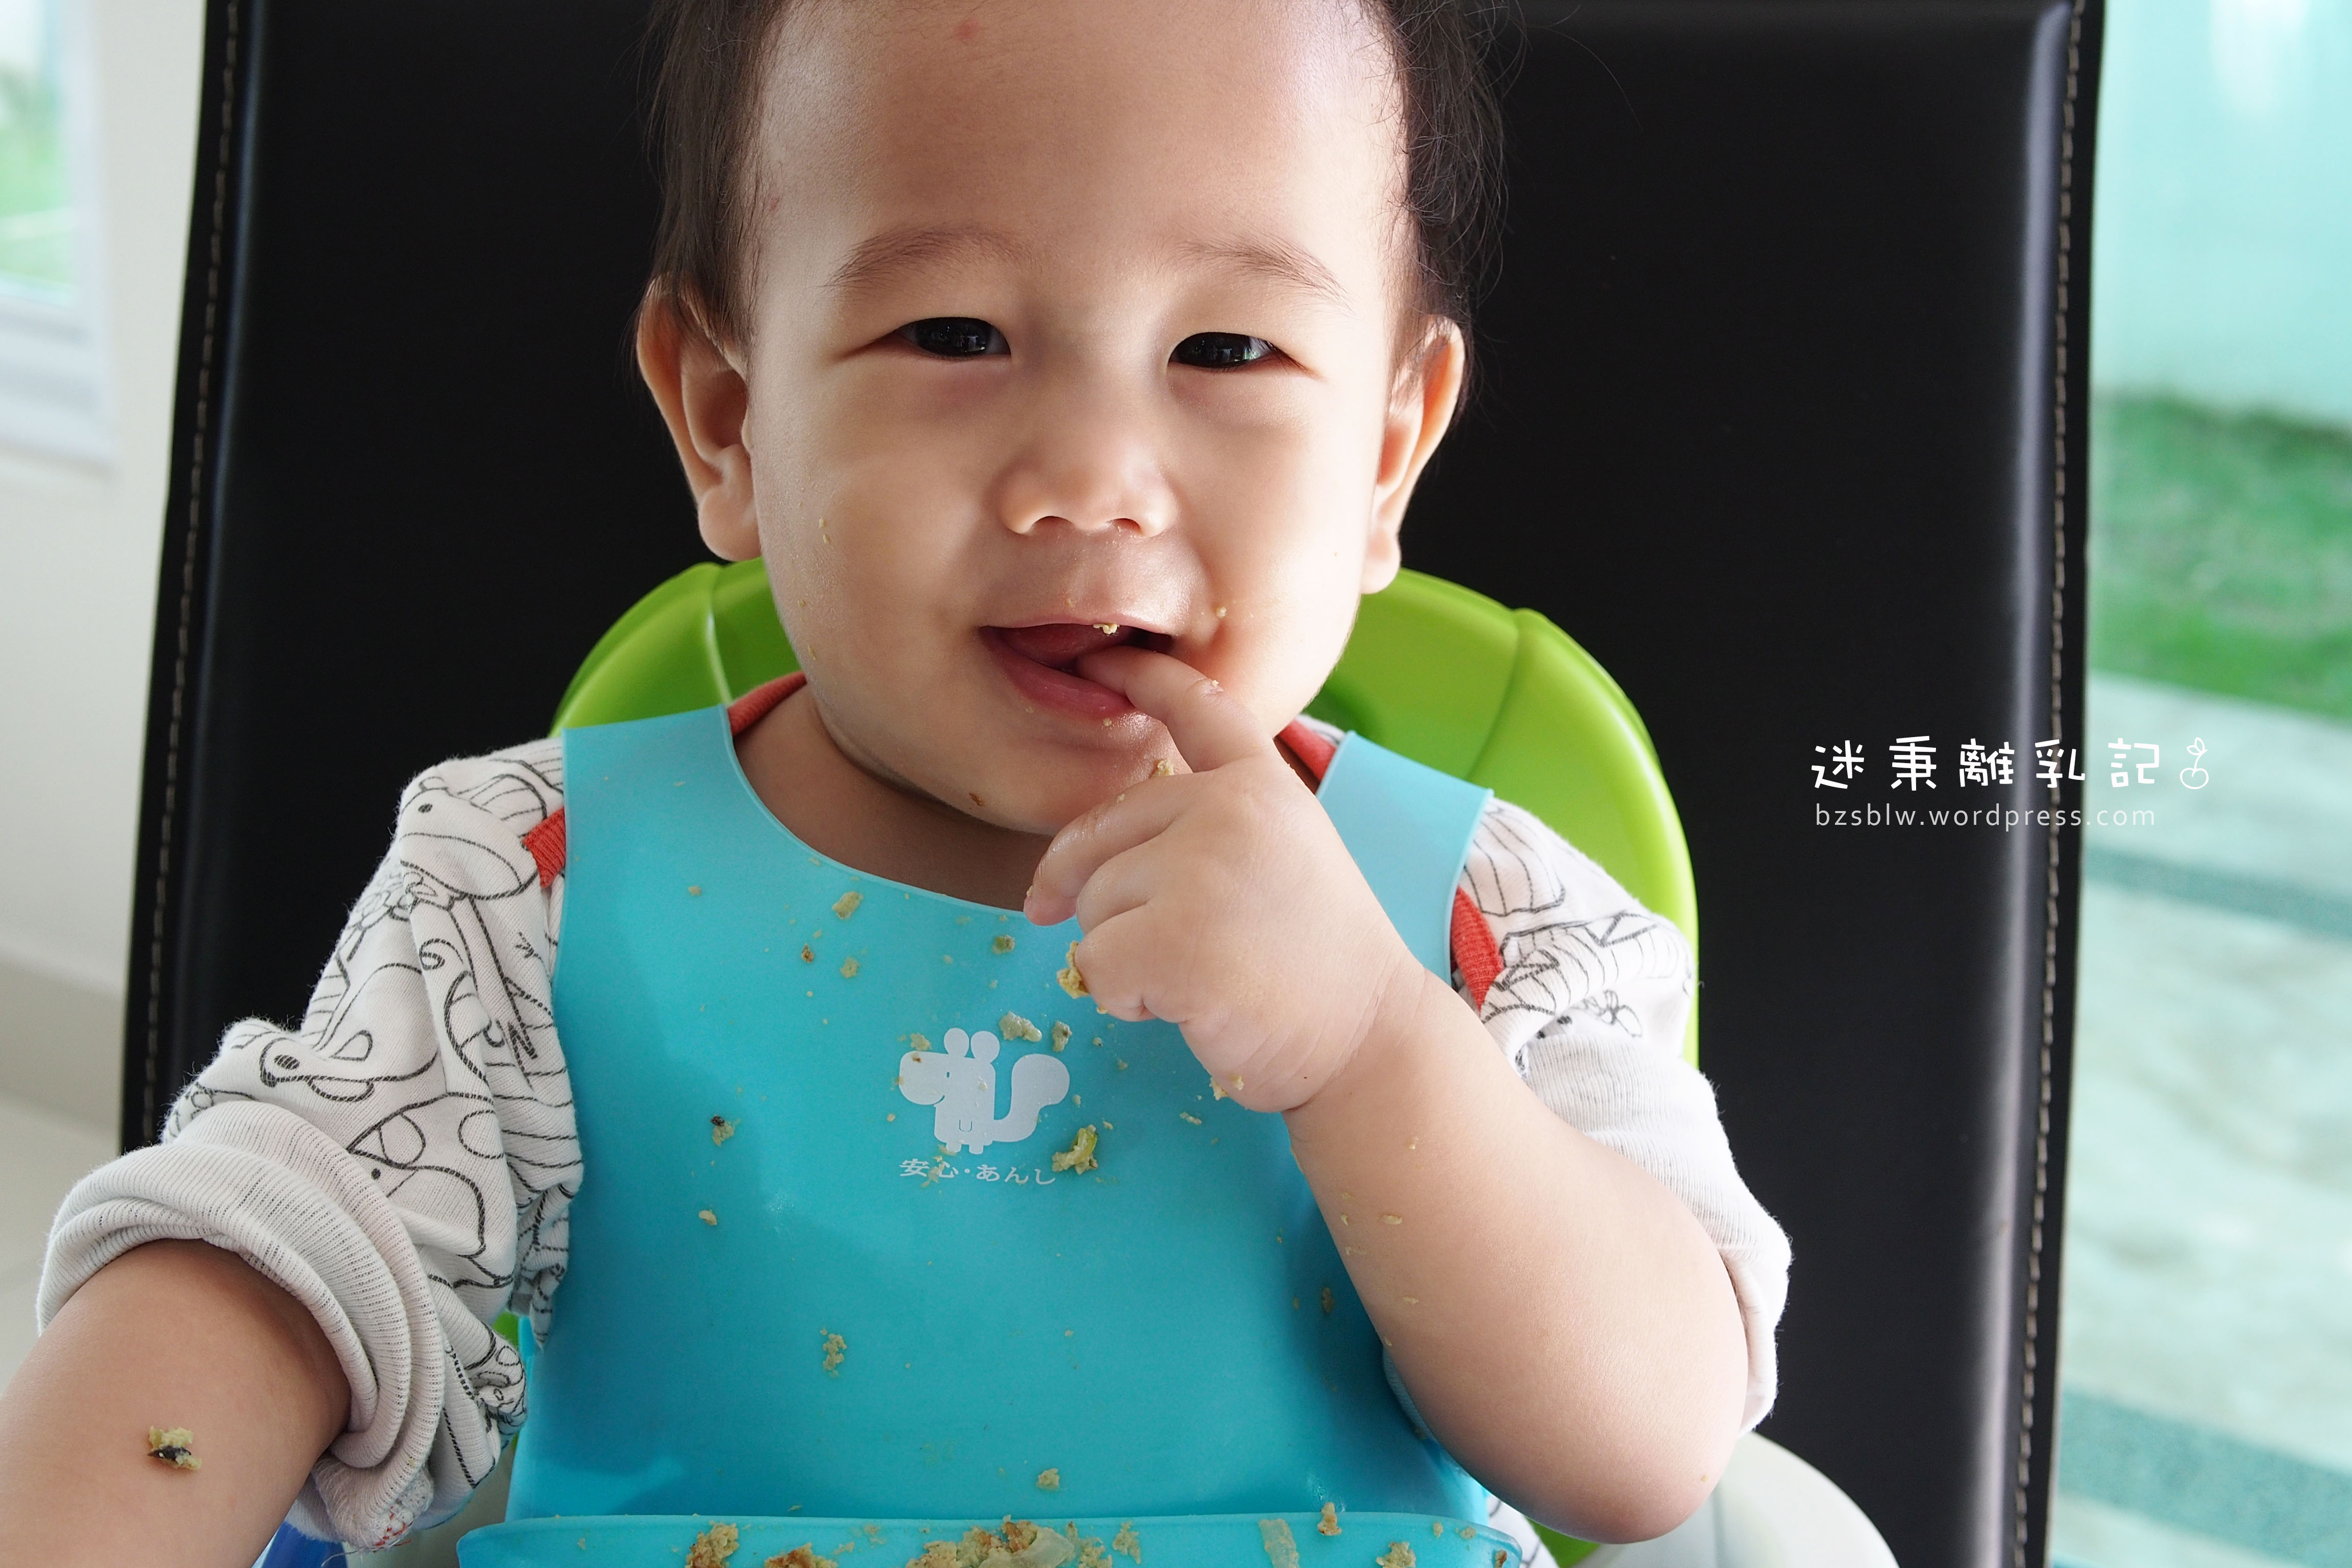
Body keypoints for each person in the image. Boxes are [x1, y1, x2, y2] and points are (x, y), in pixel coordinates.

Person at [0, 2, 1790, 1564]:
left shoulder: (1489, 927)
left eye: (1227, 350)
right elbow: (270, 1266)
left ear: (1388, 451)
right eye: (953, 334)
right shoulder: (527, 891)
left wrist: (1374, 1041)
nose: (1092, 476)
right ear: (728, 418)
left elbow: (1648, 1450)